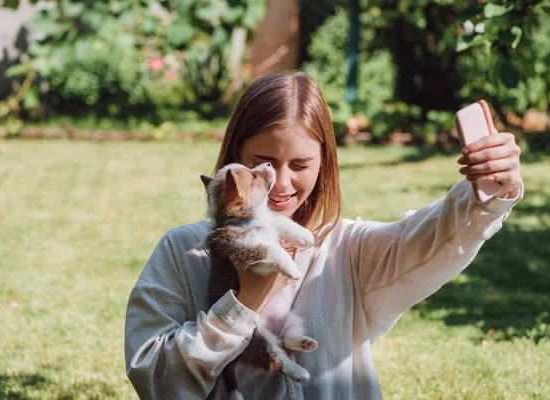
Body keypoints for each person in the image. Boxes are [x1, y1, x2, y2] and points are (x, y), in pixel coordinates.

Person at [124, 72, 523, 400]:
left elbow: (431, 240)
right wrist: (244, 304)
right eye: (263, 162)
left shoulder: (345, 249)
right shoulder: (183, 250)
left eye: (300, 164)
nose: (279, 182)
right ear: (234, 160)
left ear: (324, 164)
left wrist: (490, 192)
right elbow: (156, 379)